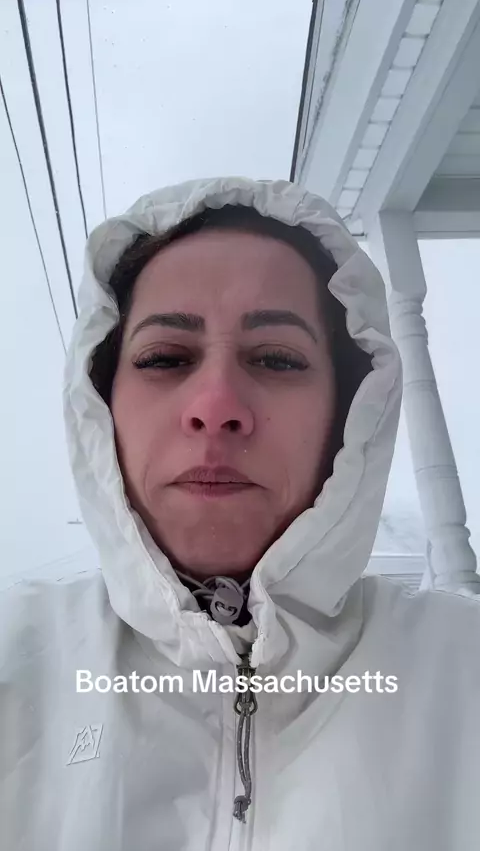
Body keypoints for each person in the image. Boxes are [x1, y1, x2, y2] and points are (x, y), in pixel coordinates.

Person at [1, 175, 479, 850]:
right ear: (102, 406)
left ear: (349, 414)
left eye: (277, 358)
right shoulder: (18, 660)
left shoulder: (462, 669)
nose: (217, 405)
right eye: (166, 358)